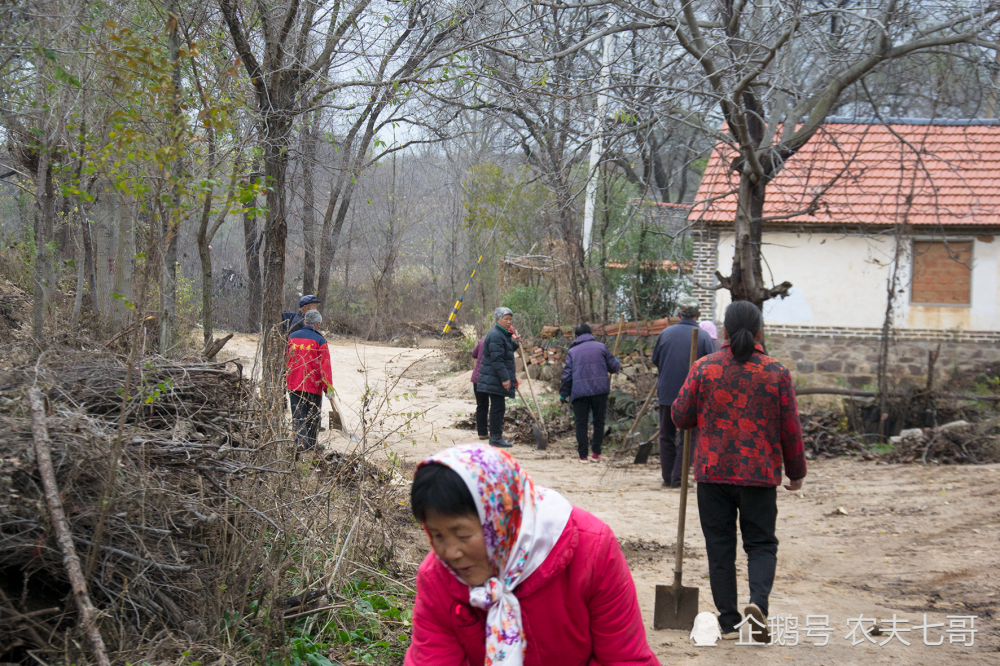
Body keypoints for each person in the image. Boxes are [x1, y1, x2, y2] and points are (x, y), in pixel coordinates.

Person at [406, 443, 660, 666]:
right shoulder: (437, 577)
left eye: (462, 535)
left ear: (501, 520)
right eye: (437, 536)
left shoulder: (592, 550)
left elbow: (623, 659)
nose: (451, 553)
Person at [671, 301, 807, 643]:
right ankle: (757, 603)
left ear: (726, 331)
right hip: (759, 475)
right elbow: (790, 428)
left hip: (712, 473)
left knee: (720, 547)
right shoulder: (777, 372)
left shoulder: (705, 368)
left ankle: (730, 622)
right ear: (759, 330)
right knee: (761, 544)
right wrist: (796, 471)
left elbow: (679, 416)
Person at [650, 296, 714, 488]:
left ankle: (668, 477)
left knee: (666, 435)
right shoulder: (703, 337)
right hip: (692, 396)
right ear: (699, 315)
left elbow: (656, 360)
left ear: (678, 314)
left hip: (667, 393)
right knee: (688, 437)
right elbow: (710, 367)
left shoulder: (666, 333)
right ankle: (678, 478)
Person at [559, 323, 621, 463]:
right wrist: (616, 361)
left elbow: (567, 375)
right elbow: (614, 368)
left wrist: (563, 393)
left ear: (576, 336)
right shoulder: (601, 347)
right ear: (590, 334)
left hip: (579, 393)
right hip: (600, 391)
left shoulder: (572, 352)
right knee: (599, 421)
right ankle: (596, 454)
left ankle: (583, 456)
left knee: (581, 423)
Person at [285, 309, 333, 451]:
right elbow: (325, 367)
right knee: (313, 416)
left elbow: (288, 360)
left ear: (305, 321)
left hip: (294, 383)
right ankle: (310, 445)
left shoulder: (292, 337)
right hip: (313, 385)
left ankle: (300, 443)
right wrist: (327, 388)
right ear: (318, 324)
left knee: (298, 415)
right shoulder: (320, 340)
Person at [475, 307, 521, 448]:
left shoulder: (503, 334)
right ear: (498, 320)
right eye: (506, 319)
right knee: (497, 407)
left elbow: (506, 350)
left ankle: (496, 437)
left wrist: (516, 342)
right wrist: (505, 379)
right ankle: (495, 438)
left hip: (494, 378)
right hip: (494, 378)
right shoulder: (495, 335)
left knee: (498, 407)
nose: (509, 322)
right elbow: (497, 359)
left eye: (510, 319)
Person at [470, 336, 489, 441]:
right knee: (496, 406)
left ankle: (482, 433)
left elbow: (474, 354)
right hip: (490, 379)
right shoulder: (499, 342)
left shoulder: (482, 341)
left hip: (477, 378)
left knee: (481, 405)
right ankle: (496, 432)